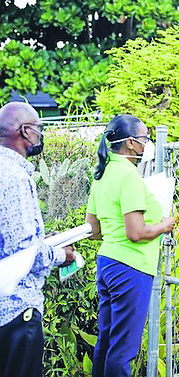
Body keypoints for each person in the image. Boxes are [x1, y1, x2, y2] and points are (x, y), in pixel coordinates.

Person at [85, 114, 174, 377]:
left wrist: (115, 234)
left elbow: (93, 229)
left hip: (108, 264)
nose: (148, 144)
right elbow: (136, 232)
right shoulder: (129, 176)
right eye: (146, 138)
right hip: (131, 268)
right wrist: (163, 225)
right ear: (133, 143)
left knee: (107, 339)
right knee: (124, 349)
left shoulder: (103, 173)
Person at [0, 102, 75, 377]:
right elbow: (23, 251)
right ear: (25, 131)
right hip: (16, 311)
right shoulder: (15, 176)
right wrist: (60, 255)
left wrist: (42, 241)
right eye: (39, 129)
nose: (41, 136)